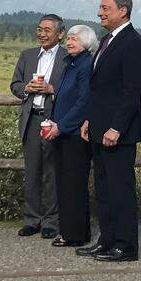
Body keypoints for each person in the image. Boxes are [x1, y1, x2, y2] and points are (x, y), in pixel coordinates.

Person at [76, 0, 141, 262]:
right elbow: (99, 90)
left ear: (123, 11)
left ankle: (126, 246)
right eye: (100, 7)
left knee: (121, 190)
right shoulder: (108, 40)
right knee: (104, 190)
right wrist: (89, 120)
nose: (99, 12)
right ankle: (106, 241)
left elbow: (131, 92)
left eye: (105, 7)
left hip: (119, 133)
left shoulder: (132, 43)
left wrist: (116, 128)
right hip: (98, 128)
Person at [10, 14, 67, 239]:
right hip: (32, 120)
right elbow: (14, 85)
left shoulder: (68, 57)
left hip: (54, 121)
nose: (41, 34)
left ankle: (52, 222)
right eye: (39, 29)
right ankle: (32, 220)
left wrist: (52, 90)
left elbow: (76, 88)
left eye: (47, 30)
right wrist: (27, 88)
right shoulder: (27, 56)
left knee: (52, 173)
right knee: (32, 173)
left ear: (60, 34)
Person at [42, 25, 98, 247]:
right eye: (70, 38)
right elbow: (64, 95)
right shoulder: (71, 63)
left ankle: (74, 235)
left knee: (73, 185)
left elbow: (84, 101)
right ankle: (70, 231)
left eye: (74, 39)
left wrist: (61, 126)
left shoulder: (85, 65)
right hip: (63, 130)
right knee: (64, 184)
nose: (69, 42)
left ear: (86, 43)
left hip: (74, 135)